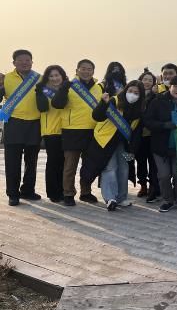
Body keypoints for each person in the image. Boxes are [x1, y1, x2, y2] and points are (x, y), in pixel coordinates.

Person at [80, 81, 144, 210]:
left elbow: (137, 133)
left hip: (123, 143)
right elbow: (97, 116)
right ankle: (110, 198)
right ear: (125, 90)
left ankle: (121, 198)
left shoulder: (140, 110)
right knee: (110, 168)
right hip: (105, 140)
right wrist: (103, 103)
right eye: (130, 91)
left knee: (124, 169)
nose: (132, 94)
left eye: (136, 93)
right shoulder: (114, 100)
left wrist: (132, 150)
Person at [51, 59, 103, 206]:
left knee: (88, 165)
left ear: (93, 71)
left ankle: (85, 192)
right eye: (83, 68)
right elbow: (57, 104)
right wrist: (63, 89)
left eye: (89, 69)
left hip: (92, 130)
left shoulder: (99, 88)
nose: (86, 71)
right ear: (77, 70)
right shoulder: (69, 85)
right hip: (72, 130)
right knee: (70, 166)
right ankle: (68, 193)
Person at [144, 75, 177, 212]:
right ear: (169, 86)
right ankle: (167, 200)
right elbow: (147, 121)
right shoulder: (157, 101)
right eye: (176, 86)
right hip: (161, 147)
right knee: (164, 175)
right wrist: (163, 125)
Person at [0, 49, 42, 206]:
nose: (25, 63)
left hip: (35, 123)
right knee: (12, 162)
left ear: (32, 62)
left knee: (32, 161)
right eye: (21, 60)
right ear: (14, 63)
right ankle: (13, 194)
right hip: (14, 123)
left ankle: (28, 190)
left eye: (27, 60)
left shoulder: (39, 78)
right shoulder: (6, 79)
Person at [35, 65, 68, 202]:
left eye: (57, 75)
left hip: (67, 129)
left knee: (64, 163)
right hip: (51, 131)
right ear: (47, 78)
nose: (55, 78)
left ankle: (63, 190)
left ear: (62, 76)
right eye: (51, 76)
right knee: (53, 162)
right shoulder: (43, 90)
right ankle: (53, 193)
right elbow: (42, 108)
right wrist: (39, 92)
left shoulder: (68, 89)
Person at [136, 69, 160, 201]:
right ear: (140, 80)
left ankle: (153, 187)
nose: (147, 82)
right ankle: (143, 185)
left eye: (150, 80)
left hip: (152, 136)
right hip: (138, 136)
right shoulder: (134, 95)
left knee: (153, 163)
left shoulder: (156, 97)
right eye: (145, 79)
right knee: (140, 162)